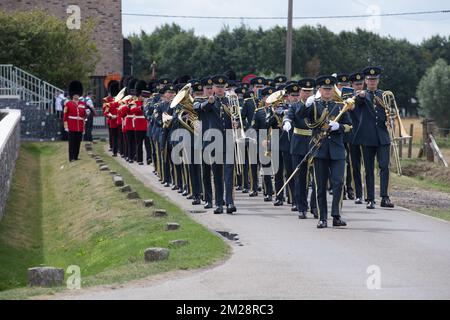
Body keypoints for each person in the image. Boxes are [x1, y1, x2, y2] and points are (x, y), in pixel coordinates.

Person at [296, 75, 351, 228]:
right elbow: (299, 116)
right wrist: (306, 105)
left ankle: (336, 215)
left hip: (337, 150)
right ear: (319, 90)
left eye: (330, 89)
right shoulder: (314, 105)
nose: (327, 91)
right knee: (320, 185)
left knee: (338, 183)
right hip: (319, 149)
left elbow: (349, 126)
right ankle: (322, 217)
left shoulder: (340, 106)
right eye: (325, 89)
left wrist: (338, 127)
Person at [353, 66, 395, 209]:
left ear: (378, 80)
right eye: (370, 79)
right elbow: (354, 107)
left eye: (375, 79)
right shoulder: (361, 96)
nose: (372, 82)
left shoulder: (384, 95)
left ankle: (385, 197)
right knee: (369, 169)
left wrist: (391, 119)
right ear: (365, 80)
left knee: (384, 166)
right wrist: (360, 97)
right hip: (367, 137)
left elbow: (390, 112)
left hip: (382, 137)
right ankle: (370, 198)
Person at [195, 75, 236, 214]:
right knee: (217, 174)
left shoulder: (231, 101)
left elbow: (237, 117)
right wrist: (209, 102)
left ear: (225, 87)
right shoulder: (207, 102)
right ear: (212, 88)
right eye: (217, 87)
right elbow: (198, 110)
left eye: (222, 87)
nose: (219, 89)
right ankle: (218, 204)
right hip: (215, 142)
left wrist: (235, 123)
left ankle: (229, 202)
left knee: (229, 174)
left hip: (229, 140)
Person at [283, 78, 318, 219]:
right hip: (299, 144)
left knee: (317, 178)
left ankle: (315, 206)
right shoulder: (295, 106)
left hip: (315, 142)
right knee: (300, 178)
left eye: (310, 91)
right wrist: (286, 122)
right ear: (300, 91)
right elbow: (289, 115)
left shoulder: (318, 105)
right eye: (304, 91)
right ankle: (302, 207)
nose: (307, 94)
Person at [252, 86, 275, 202]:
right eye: (267, 97)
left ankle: (280, 193)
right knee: (266, 169)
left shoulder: (279, 111)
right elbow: (254, 129)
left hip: (276, 141)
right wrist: (261, 140)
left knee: (278, 170)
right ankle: (268, 192)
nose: (269, 100)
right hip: (264, 143)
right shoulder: (259, 112)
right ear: (263, 99)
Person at [348, 72, 365, 204]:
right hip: (353, 136)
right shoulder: (348, 98)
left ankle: (369, 194)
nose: (359, 86)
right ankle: (358, 193)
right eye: (356, 84)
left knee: (368, 167)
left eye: (360, 83)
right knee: (355, 166)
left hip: (366, 136)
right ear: (352, 85)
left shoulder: (367, 96)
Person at [64, 80, 86, 162]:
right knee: (72, 143)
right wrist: (66, 126)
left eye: (77, 94)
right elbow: (65, 116)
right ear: (72, 95)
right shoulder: (68, 104)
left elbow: (83, 115)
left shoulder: (82, 104)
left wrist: (86, 113)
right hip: (71, 126)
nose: (76, 96)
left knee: (78, 142)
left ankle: (76, 156)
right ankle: (71, 157)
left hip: (79, 126)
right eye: (75, 94)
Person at [104, 80, 120, 156]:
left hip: (120, 121)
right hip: (113, 121)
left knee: (119, 137)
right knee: (114, 137)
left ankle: (120, 150)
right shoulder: (108, 103)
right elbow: (106, 112)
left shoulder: (120, 101)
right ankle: (115, 151)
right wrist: (111, 116)